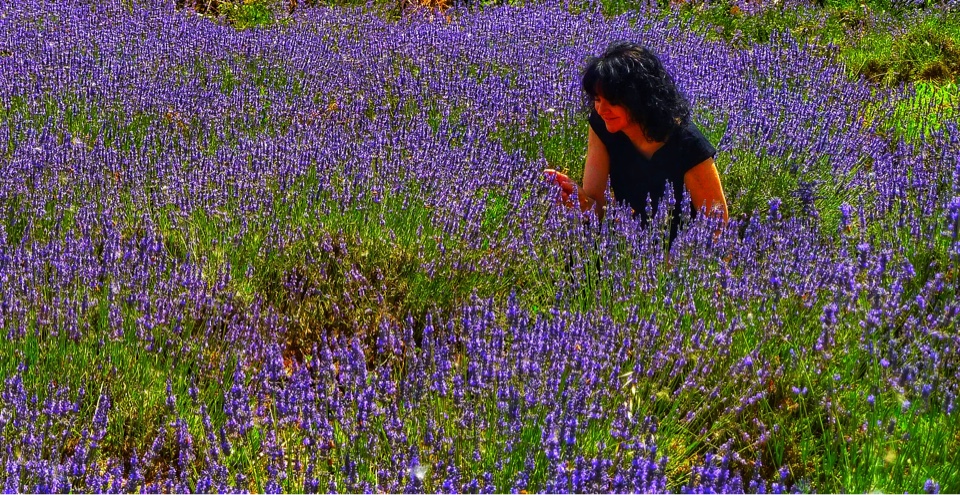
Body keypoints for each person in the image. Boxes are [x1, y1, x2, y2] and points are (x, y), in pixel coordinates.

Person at [546, 42, 728, 245]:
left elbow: (718, 231)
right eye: (597, 99)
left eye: (612, 101)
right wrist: (579, 199)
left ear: (640, 99)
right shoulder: (603, 126)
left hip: (682, 257)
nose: (601, 109)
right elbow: (597, 211)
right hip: (629, 248)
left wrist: (671, 266)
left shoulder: (688, 145)